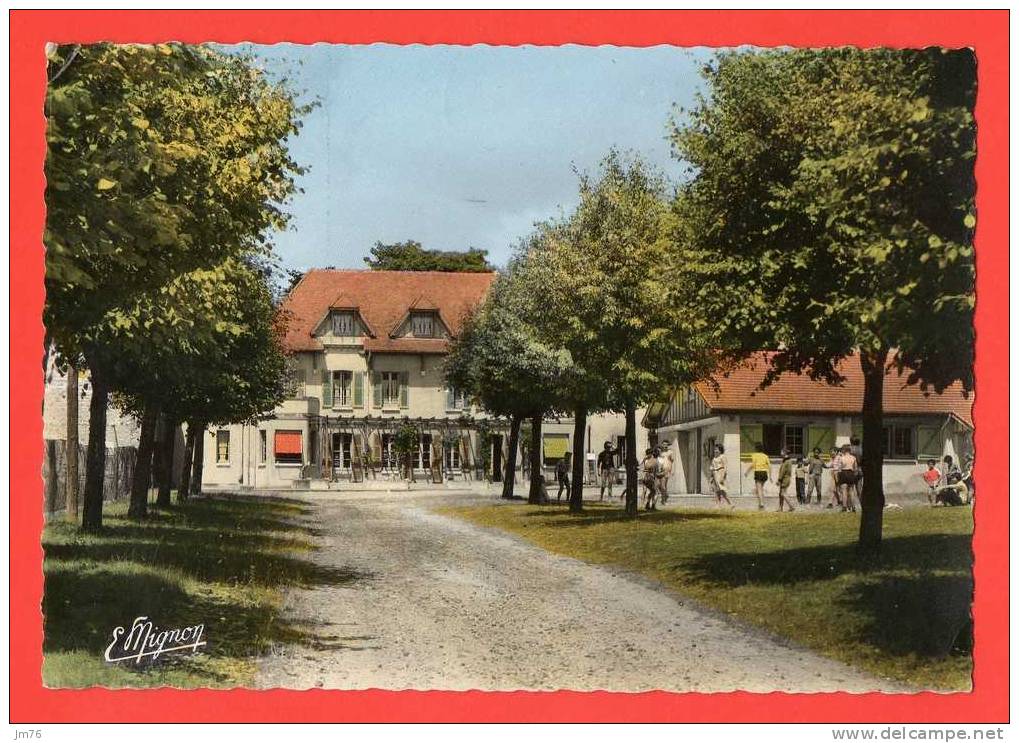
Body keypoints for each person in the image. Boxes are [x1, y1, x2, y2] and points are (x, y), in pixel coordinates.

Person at [743, 443, 771, 511]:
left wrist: (747, 472)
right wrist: (770, 476)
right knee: (761, 489)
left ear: (756, 449)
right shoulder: (765, 456)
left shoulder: (754, 455)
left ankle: (761, 504)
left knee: (759, 490)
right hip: (764, 473)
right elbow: (769, 466)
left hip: (758, 472)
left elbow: (753, 464)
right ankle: (761, 503)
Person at [709, 443, 734, 509]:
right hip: (715, 474)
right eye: (714, 449)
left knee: (722, 490)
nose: (715, 451)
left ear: (720, 450)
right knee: (716, 491)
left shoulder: (722, 457)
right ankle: (718, 505)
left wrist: (722, 477)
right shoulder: (714, 458)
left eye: (717, 449)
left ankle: (730, 503)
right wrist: (711, 477)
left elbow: (725, 467)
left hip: (720, 473)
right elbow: (712, 467)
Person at [837, 444, 859, 512]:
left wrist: (838, 476)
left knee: (844, 491)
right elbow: (855, 468)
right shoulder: (853, 458)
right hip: (851, 473)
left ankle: (844, 507)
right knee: (851, 491)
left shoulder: (841, 458)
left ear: (844, 450)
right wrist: (854, 475)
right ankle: (853, 507)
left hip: (844, 473)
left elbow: (839, 468)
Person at [656, 440, 674, 505]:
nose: (665, 446)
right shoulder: (660, 452)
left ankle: (664, 501)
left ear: (668, 445)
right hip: (659, 471)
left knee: (663, 486)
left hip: (666, 471)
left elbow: (672, 461)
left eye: (666, 444)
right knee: (658, 485)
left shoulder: (670, 452)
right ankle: (665, 495)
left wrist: (671, 470)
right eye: (663, 444)